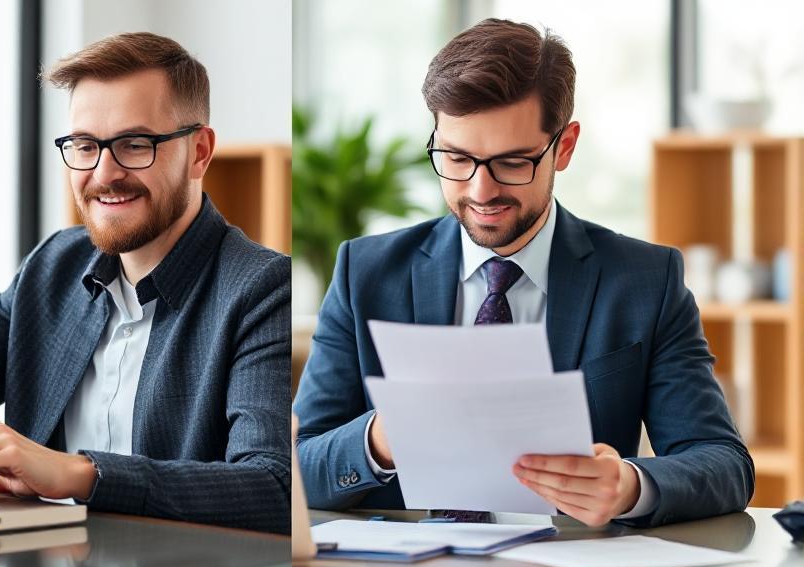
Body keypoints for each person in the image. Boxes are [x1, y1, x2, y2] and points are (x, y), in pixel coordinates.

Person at [0, 32, 291, 534]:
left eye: (135, 145)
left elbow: (271, 485)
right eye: (85, 145)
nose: (104, 174)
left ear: (199, 152)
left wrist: (79, 474)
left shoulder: (261, 288)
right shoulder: (55, 267)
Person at [293, 18, 753, 528]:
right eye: (456, 158)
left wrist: (629, 486)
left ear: (566, 146)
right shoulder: (366, 273)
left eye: (512, 163)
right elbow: (298, 467)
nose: (480, 190)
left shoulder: (646, 280)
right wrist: (381, 438)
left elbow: (724, 463)